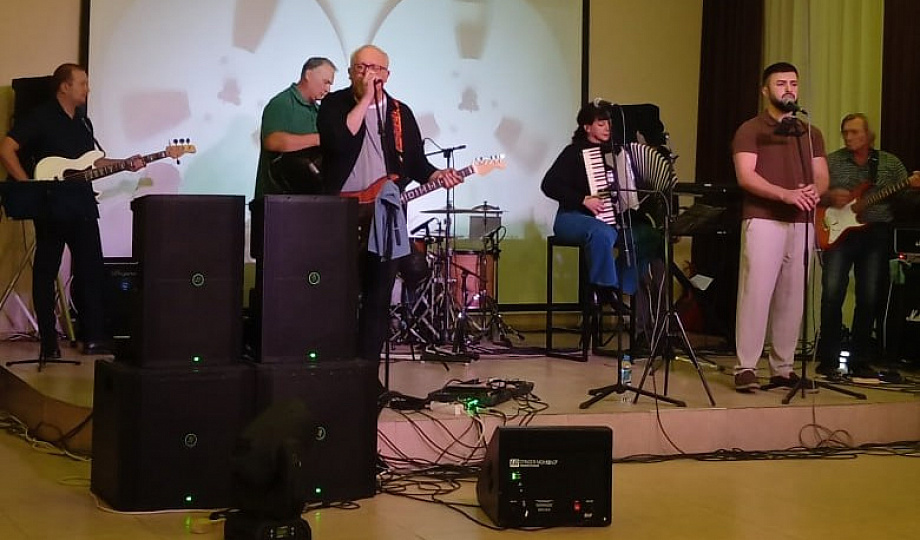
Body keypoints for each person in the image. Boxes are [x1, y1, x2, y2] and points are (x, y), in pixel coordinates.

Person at [316, 44, 462, 362]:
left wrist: (438, 174)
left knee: (378, 293)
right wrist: (365, 100)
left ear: (387, 74)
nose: (368, 74)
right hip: (341, 210)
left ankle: (368, 370)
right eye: (361, 67)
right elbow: (337, 142)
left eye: (375, 68)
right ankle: (336, 364)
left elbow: (416, 164)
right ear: (351, 72)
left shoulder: (399, 113)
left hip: (386, 212)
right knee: (340, 289)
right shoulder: (334, 104)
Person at [0, 63, 144, 359]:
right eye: (82, 83)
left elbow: (92, 163)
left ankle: (93, 337)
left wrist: (126, 164)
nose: (87, 89)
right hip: (51, 205)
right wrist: (28, 186)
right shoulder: (40, 116)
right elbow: (6, 148)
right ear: (64, 86)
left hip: (82, 204)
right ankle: (48, 341)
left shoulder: (83, 122)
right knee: (46, 270)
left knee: (91, 270)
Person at [731, 62, 828, 392]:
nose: (789, 89)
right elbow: (746, 176)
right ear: (765, 90)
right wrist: (785, 194)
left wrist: (816, 190)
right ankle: (746, 366)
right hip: (763, 218)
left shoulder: (809, 132)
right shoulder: (750, 129)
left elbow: (822, 174)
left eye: (793, 83)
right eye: (781, 83)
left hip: (801, 221)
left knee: (793, 296)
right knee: (756, 293)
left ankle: (783, 368)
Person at [816, 113, 919, 379]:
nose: (848, 137)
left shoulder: (889, 163)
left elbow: (905, 201)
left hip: (875, 233)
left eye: (854, 132)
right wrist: (830, 197)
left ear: (868, 135)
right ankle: (828, 359)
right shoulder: (833, 161)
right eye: (845, 132)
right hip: (838, 233)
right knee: (832, 294)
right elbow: (814, 194)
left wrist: (912, 188)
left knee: (869, 296)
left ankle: (860, 359)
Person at [540, 102, 659, 316]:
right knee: (603, 232)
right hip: (572, 217)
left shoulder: (617, 154)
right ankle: (606, 287)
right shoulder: (574, 152)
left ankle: (616, 287)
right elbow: (549, 185)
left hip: (608, 223)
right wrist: (582, 199)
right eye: (601, 124)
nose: (607, 128)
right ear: (587, 127)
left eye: (609, 124)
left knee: (649, 237)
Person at [253, 57, 336, 198]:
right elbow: (273, 141)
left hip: (307, 198)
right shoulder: (281, 103)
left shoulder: (319, 111)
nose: (328, 89)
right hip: (276, 199)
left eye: (330, 84)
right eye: (325, 82)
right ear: (308, 75)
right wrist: (318, 139)